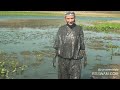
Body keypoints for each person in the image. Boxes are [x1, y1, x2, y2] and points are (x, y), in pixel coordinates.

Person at [53, 11, 86, 79]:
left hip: (75, 59)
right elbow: (57, 43)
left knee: (76, 76)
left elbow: (82, 44)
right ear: (65, 19)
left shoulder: (79, 29)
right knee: (63, 76)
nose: (70, 20)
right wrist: (56, 54)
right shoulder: (61, 29)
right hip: (62, 58)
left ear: (74, 18)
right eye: (68, 18)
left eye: (72, 18)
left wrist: (82, 54)